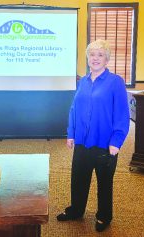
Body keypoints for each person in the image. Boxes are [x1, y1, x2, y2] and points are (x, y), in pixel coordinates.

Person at [56, 39, 130, 232]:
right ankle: (76, 210)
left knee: (104, 183)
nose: (95, 58)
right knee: (78, 179)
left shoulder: (115, 82)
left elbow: (122, 114)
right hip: (82, 142)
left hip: (105, 144)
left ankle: (104, 216)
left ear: (107, 60)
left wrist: (116, 141)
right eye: (92, 54)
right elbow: (73, 109)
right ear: (88, 58)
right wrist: (71, 133)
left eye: (100, 55)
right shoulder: (83, 82)